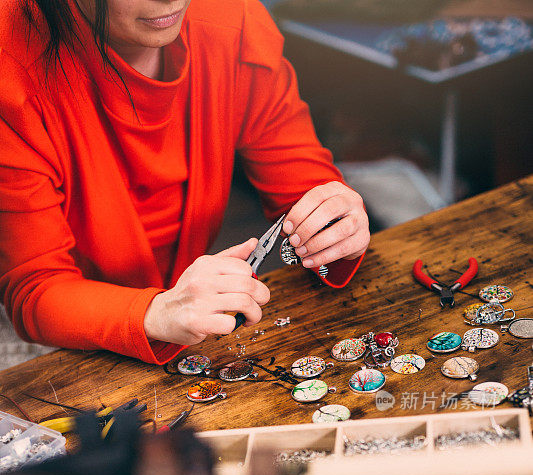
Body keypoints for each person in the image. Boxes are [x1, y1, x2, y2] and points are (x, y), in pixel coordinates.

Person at [0, 0, 370, 364]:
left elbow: (301, 184)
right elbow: (36, 289)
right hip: (57, 337)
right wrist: (155, 313)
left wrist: (336, 222)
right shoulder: (11, 69)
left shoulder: (231, 18)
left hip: (186, 316)